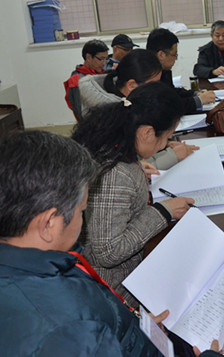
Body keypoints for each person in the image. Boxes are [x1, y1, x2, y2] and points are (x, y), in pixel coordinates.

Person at [0, 130, 164, 355]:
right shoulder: (69, 326)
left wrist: (132, 331)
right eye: (82, 211)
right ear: (49, 223)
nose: (82, 220)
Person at [72, 82, 195, 307]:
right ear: (147, 132)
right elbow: (108, 252)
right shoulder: (116, 174)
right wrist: (163, 211)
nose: (165, 145)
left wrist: (137, 170)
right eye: (167, 137)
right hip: (117, 290)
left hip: (123, 274)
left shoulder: (112, 145)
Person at [79, 49, 198, 170]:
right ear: (131, 85)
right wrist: (171, 156)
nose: (157, 89)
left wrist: (160, 141)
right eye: (153, 84)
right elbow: (130, 168)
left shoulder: (125, 100)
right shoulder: (116, 116)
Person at [146, 28, 216, 113]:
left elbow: (172, 92)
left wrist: (195, 93)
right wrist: (199, 100)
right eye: (174, 55)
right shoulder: (148, 75)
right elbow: (168, 107)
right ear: (161, 55)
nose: (176, 59)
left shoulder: (162, 69)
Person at [63, 39, 109, 120]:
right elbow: (79, 110)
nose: (104, 63)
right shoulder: (76, 80)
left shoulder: (104, 74)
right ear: (88, 57)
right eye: (101, 59)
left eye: (106, 59)